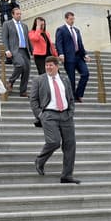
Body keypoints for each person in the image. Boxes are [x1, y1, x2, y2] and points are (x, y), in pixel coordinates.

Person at [29, 56, 79, 184]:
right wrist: (40, 114)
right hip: (49, 115)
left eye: (51, 65)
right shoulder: (39, 80)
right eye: (47, 65)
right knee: (54, 142)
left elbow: (71, 98)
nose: (48, 68)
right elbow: (33, 100)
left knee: (70, 146)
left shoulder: (65, 79)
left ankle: (67, 176)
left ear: (57, 66)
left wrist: (71, 111)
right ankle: (40, 161)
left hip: (66, 115)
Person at [56, 11, 91, 102]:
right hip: (68, 58)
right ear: (66, 19)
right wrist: (61, 54)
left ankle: (79, 94)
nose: (72, 21)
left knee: (85, 73)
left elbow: (80, 44)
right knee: (71, 78)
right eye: (71, 19)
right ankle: (73, 98)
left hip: (79, 57)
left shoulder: (76, 30)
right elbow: (58, 43)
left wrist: (85, 54)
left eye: (73, 19)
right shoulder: (61, 29)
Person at [0, 7, 31, 97]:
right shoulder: (7, 24)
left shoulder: (24, 25)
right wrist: (7, 50)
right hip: (15, 50)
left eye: (20, 14)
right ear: (13, 14)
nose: (19, 15)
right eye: (17, 14)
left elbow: (27, 38)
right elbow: (4, 38)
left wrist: (32, 50)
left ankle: (23, 91)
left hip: (25, 50)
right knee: (20, 64)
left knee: (27, 70)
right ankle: (11, 81)